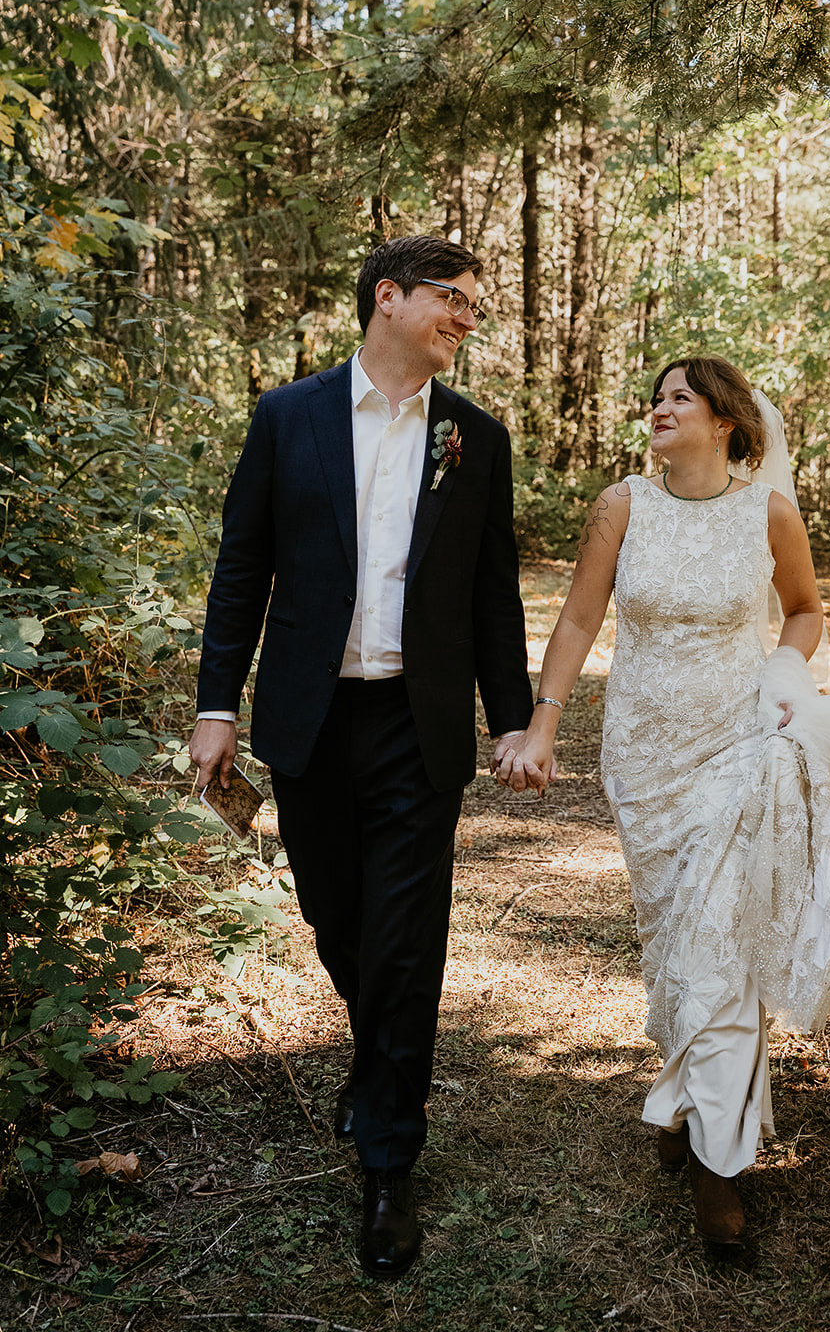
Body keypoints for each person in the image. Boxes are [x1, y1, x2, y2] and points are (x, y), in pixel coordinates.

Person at [188, 236, 533, 1280]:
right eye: (452, 300)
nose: (467, 318)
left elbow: (490, 592)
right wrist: (216, 705)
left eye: (475, 305)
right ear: (388, 298)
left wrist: (513, 718)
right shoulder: (286, 416)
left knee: (404, 935)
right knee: (337, 914)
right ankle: (375, 1053)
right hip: (309, 718)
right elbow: (242, 563)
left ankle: (389, 1158)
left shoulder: (475, 437)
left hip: (415, 722)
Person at [496, 355, 830, 1247]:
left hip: (735, 748)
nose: (660, 407)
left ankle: (720, 1168)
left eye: (681, 397)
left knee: (726, 942)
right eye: (656, 396)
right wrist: (543, 724)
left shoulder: (768, 511)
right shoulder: (622, 505)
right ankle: (680, 1095)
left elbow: (802, 610)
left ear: (725, 422)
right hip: (642, 759)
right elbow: (577, 620)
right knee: (675, 932)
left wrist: (787, 671)